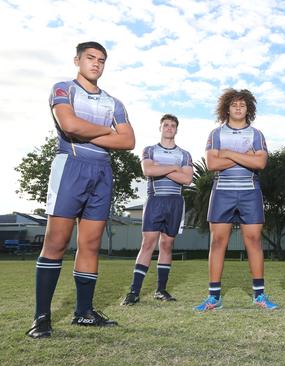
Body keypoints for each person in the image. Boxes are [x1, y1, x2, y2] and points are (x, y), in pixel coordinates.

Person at [26, 42, 135, 338]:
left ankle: (83, 312)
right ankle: (42, 317)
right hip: (71, 167)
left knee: (89, 245)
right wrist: (108, 131)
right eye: (90, 58)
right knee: (57, 242)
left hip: (102, 171)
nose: (96, 64)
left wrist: (91, 131)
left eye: (101, 60)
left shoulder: (115, 103)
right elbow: (69, 125)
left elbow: (127, 142)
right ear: (77, 60)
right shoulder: (63, 88)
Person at [194, 89, 278, 311]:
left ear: (248, 108)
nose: (238, 108)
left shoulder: (257, 134)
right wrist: (245, 157)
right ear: (226, 108)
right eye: (234, 104)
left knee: (253, 241)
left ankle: (259, 296)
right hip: (222, 192)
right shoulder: (216, 134)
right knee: (218, 242)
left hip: (250, 192)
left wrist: (227, 154)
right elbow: (212, 164)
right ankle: (214, 297)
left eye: (242, 104)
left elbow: (260, 164)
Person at [121, 114, 193, 305]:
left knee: (167, 245)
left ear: (176, 129)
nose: (169, 128)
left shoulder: (184, 154)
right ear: (160, 128)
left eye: (172, 125)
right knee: (147, 244)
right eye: (166, 125)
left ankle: (161, 290)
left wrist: (161, 167)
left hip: (175, 202)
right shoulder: (150, 150)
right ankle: (134, 292)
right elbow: (148, 171)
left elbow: (187, 180)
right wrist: (174, 168)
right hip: (156, 200)